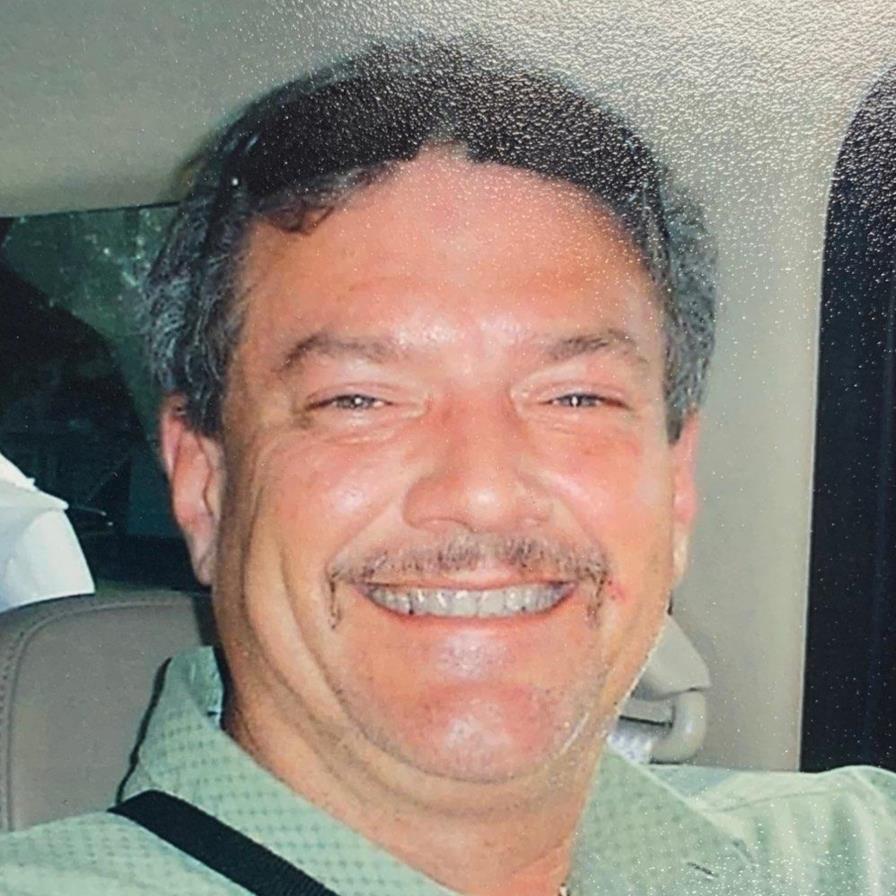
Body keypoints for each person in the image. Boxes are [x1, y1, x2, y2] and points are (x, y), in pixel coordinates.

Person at [1, 37, 894, 896]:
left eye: (575, 398)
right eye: (360, 400)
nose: (483, 493)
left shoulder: (853, 849)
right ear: (204, 485)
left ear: (678, 484)